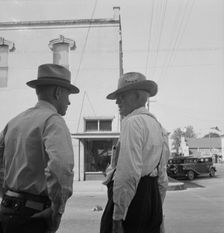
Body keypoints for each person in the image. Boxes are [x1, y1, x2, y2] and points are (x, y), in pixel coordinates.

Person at [0, 63, 79, 233]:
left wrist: (5, 194)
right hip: (34, 215)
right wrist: (56, 210)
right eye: (67, 94)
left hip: (6, 211)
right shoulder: (53, 121)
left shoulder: (14, 122)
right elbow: (61, 167)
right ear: (58, 92)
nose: (69, 102)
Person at [100, 72, 170, 233]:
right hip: (151, 199)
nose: (117, 101)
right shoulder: (158, 127)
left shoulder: (132, 122)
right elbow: (162, 177)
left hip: (132, 202)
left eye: (122, 96)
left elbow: (128, 173)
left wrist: (118, 217)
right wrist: (157, 210)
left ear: (138, 96)